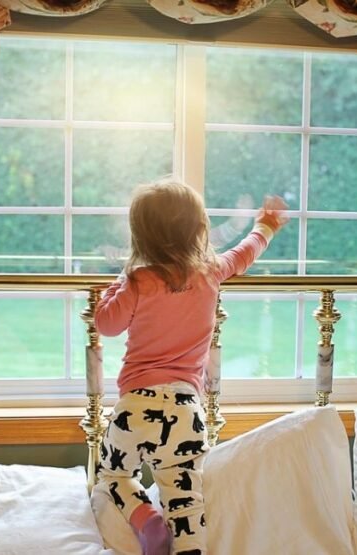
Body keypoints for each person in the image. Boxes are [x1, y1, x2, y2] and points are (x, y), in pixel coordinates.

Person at [93, 180, 288, 555]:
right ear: (199, 229)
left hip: (135, 408)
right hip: (185, 412)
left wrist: (114, 288)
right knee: (186, 500)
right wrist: (266, 226)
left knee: (113, 473)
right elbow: (245, 253)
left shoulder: (137, 281)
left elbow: (107, 324)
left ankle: (146, 520)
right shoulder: (211, 271)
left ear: (140, 237)